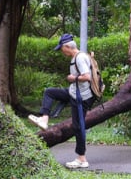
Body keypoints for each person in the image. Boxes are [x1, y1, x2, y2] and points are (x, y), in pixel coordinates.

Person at [28, 33, 95, 169]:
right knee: (49, 92)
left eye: (61, 48)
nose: (61, 51)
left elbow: (87, 77)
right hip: (73, 93)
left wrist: (72, 78)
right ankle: (44, 120)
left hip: (81, 97)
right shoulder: (78, 56)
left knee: (78, 127)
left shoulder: (80, 58)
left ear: (67, 46)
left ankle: (82, 159)